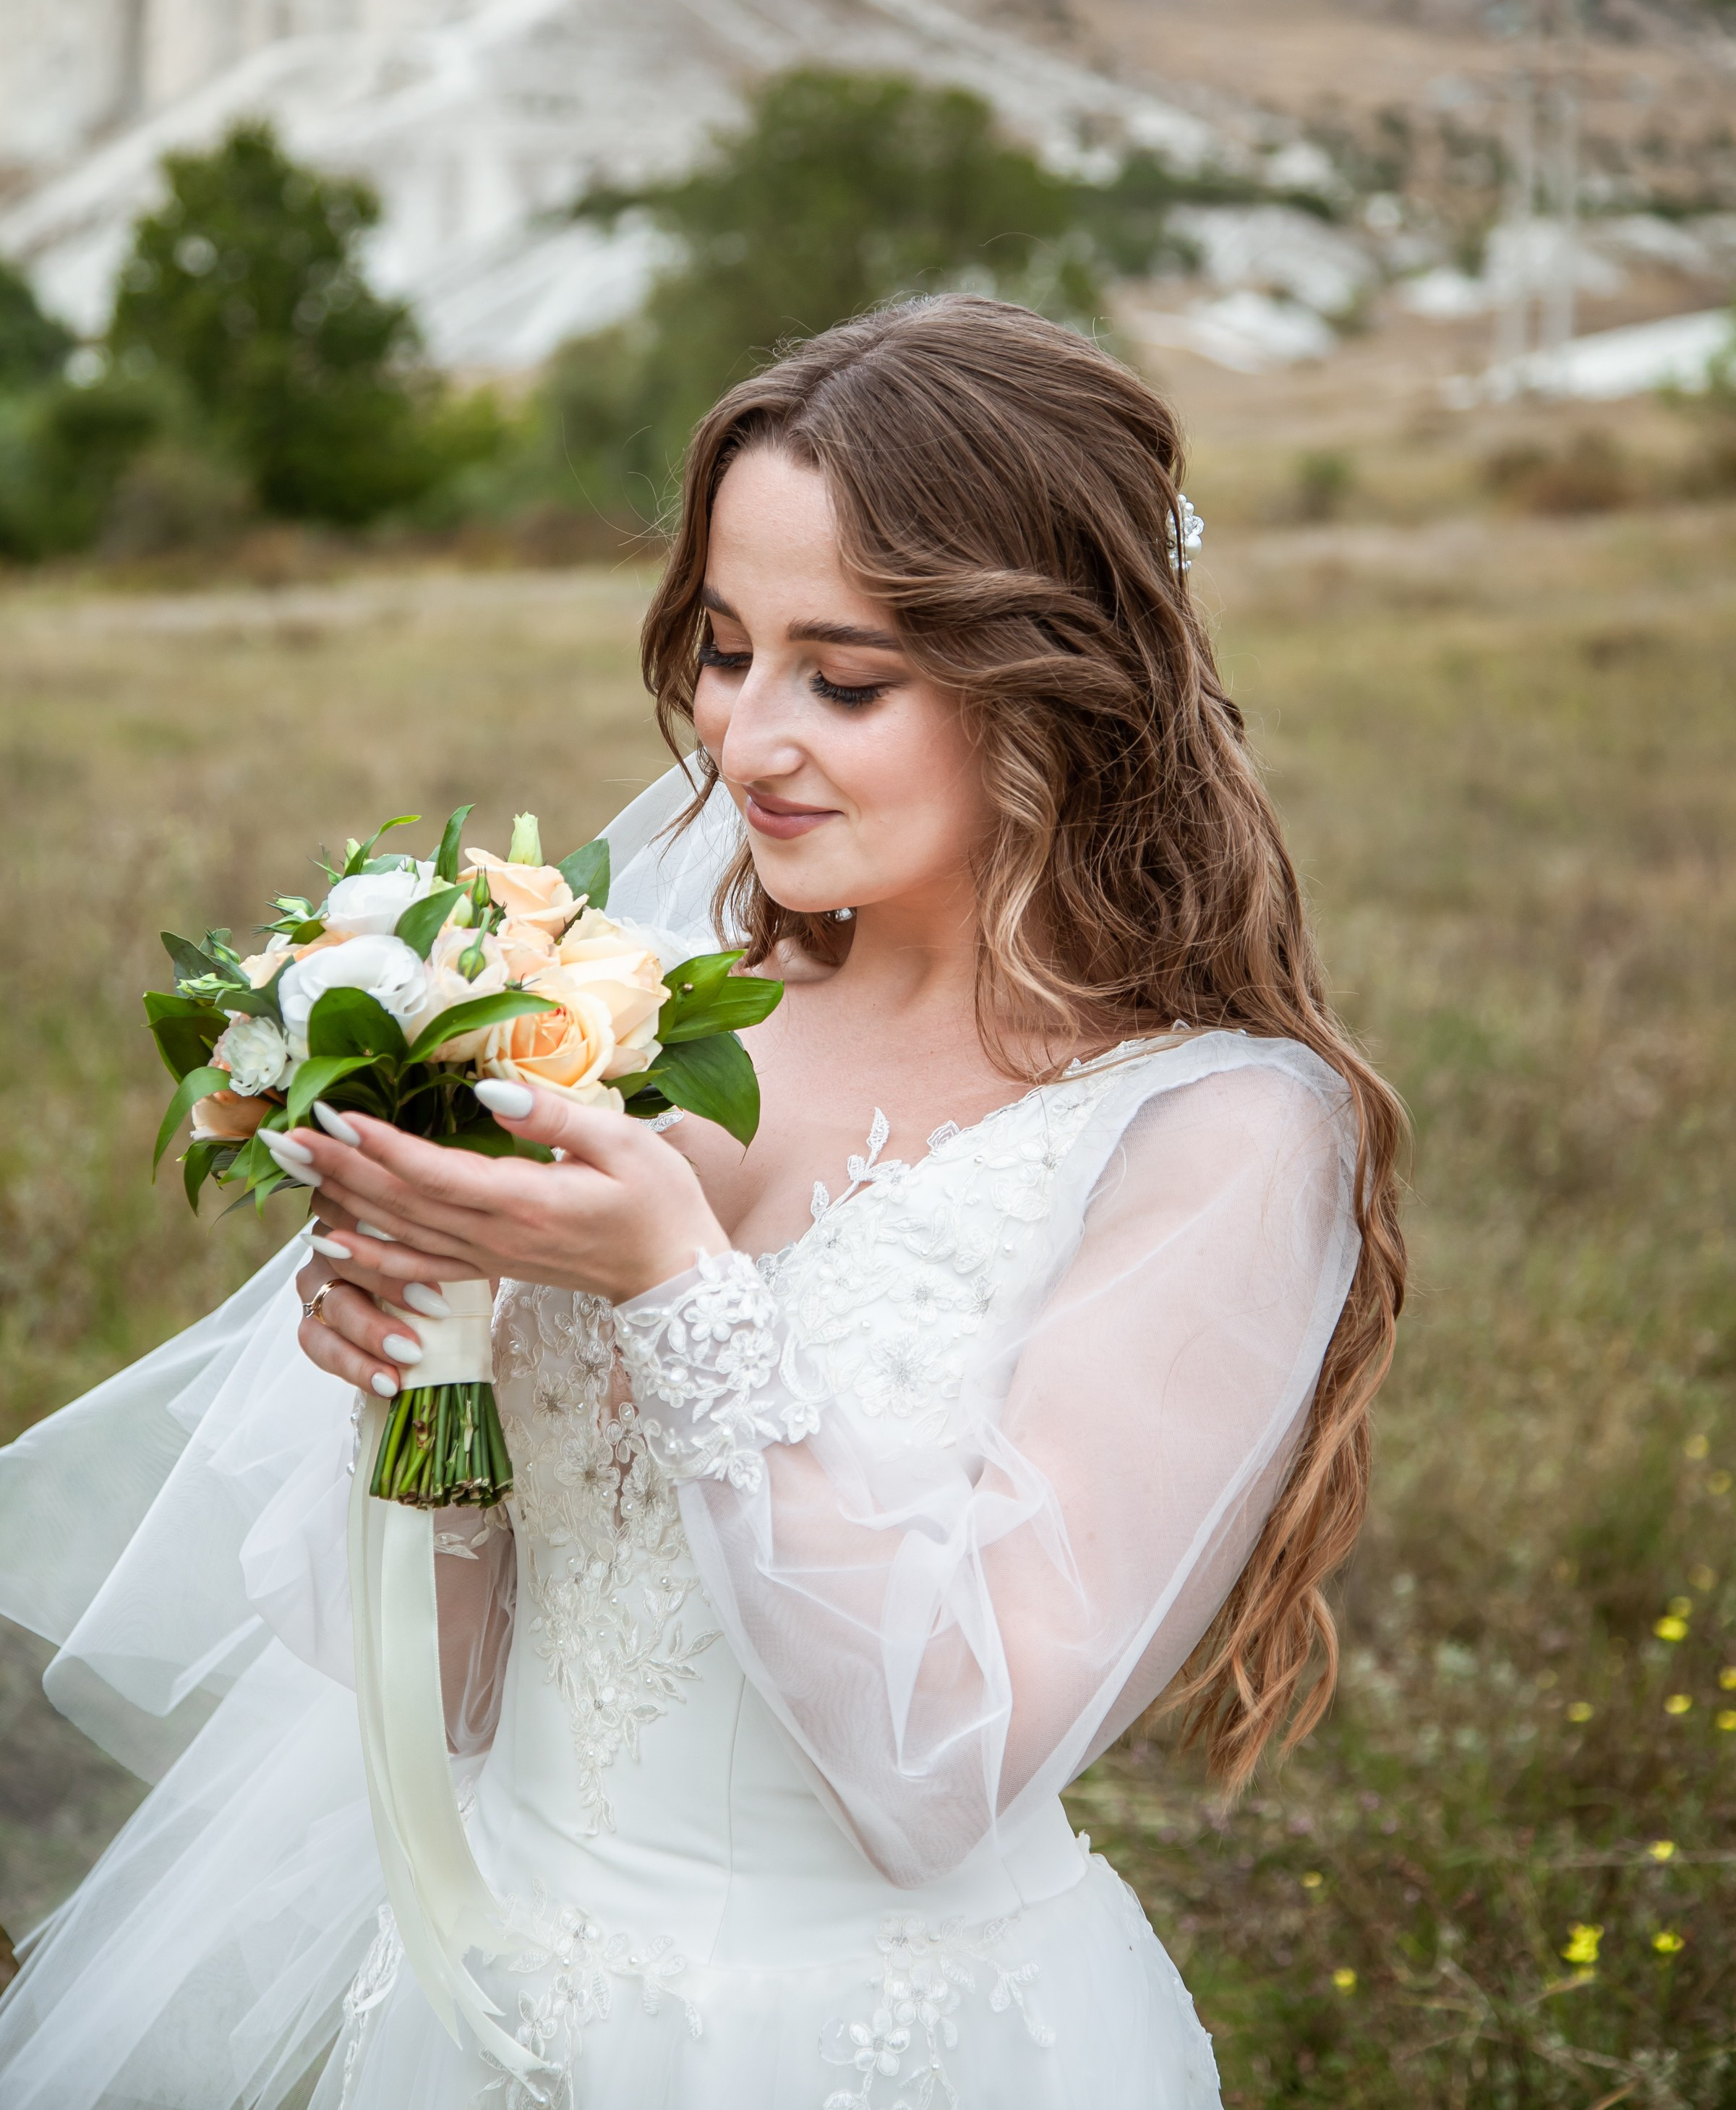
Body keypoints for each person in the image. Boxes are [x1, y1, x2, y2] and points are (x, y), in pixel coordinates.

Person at [0, 295, 1405, 2108]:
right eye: (726, 649)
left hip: (875, 2040)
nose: (744, 742)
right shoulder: (643, 1015)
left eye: (847, 675)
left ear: (1056, 680)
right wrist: (423, 1379)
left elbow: (935, 1770)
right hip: (488, 1998)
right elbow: (458, 1700)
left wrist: (674, 1288)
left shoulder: (1215, 1136)